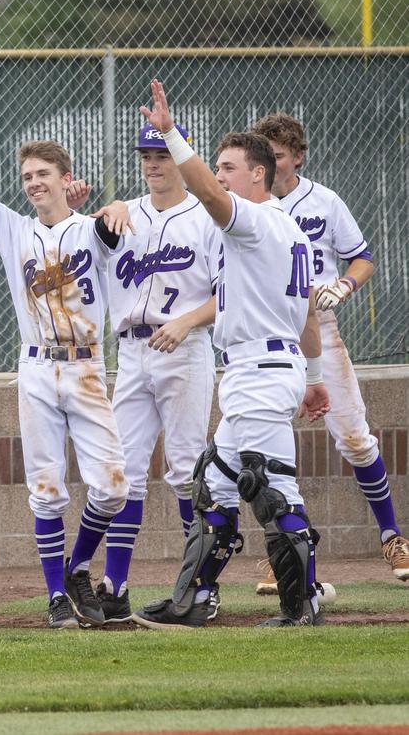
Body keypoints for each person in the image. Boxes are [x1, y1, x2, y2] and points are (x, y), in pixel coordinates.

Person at [0, 76, 132, 629]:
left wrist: (119, 203)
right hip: (36, 367)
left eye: (43, 175)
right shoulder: (12, 231)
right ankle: (57, 595)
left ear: (66, 179)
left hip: (85, 366)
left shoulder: (90, 229)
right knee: (47, 487)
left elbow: (112, 229)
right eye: (27, 176)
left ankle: (79, 565)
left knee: (111, 486)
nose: (33, 183)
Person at [130, 80, 331, 630]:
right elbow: (308, 315)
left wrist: (171, 135)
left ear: (258, 174)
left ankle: (301, 605)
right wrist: (313, 377)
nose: (219, 176)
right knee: (214, 485)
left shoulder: (256, 220)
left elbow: (210, 198)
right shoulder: (288, 229)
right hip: (264, 367)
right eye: (216, 165)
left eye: (228, 166)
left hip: (261, 371)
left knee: (272, 488)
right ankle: (192, 600)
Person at [251, 112, 408, 585]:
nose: (271, 163)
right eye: (265, 154)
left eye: (279, 155)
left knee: (355, 438)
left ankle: (392, 537)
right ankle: (285, 554)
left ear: (297, 157)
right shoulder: (245, 205)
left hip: (319, 323)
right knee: (265, 447)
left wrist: (343, 285)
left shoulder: (323, 201)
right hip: (265, 330)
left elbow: (363, 257)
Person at [97, 124, 222, 623]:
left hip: (186, 349)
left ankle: (199, 589)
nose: (152, 163)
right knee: (123, 474)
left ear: (180, 158)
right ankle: (115, 586)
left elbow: (229, 291)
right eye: (146, 154)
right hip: (131, 353)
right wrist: (102, 213)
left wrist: (188, 320)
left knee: (189, 471)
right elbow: (75, 242)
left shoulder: (208, 218)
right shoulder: (125, 213)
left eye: (162, 153)